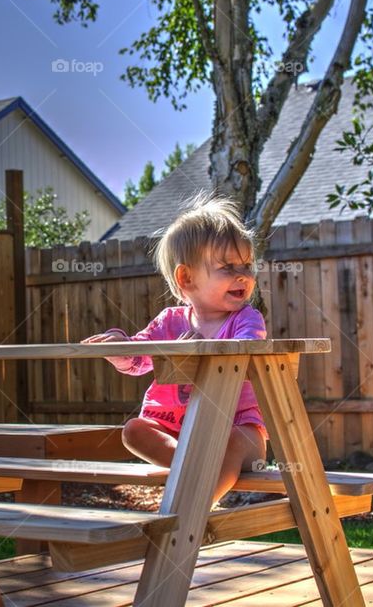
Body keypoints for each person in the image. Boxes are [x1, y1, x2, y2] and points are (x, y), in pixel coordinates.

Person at [82, 195, 268, 509]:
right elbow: (139, 358)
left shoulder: (246, 320)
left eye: (247, 266)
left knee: (236, 442)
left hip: (234, 430)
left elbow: (246, 349)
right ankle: (190, 467)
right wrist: (118, 346)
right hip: (175, 432)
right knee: (134, 431)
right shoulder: (168, 322)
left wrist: (197, 349)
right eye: (227, 267)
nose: (243, 275)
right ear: (186, 278)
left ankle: (194, 504)